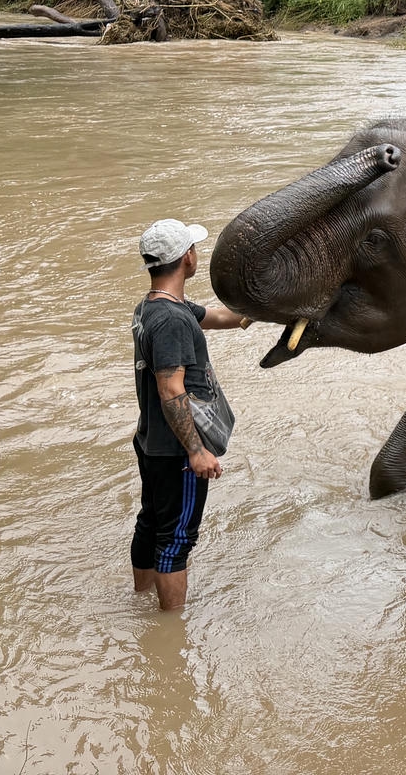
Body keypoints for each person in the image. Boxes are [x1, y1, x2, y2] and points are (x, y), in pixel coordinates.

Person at [130, 218, 247, 612]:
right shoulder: (172, 322)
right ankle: (170, 631)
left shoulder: (154, 307)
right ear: (187, 258)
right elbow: (171, 389)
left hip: (150, 440)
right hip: (176, 449)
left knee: (152, 521)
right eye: (194, 249)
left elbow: (217, 317)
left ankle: (141, 598)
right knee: (177, 537)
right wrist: (196, 451)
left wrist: (261, 309)